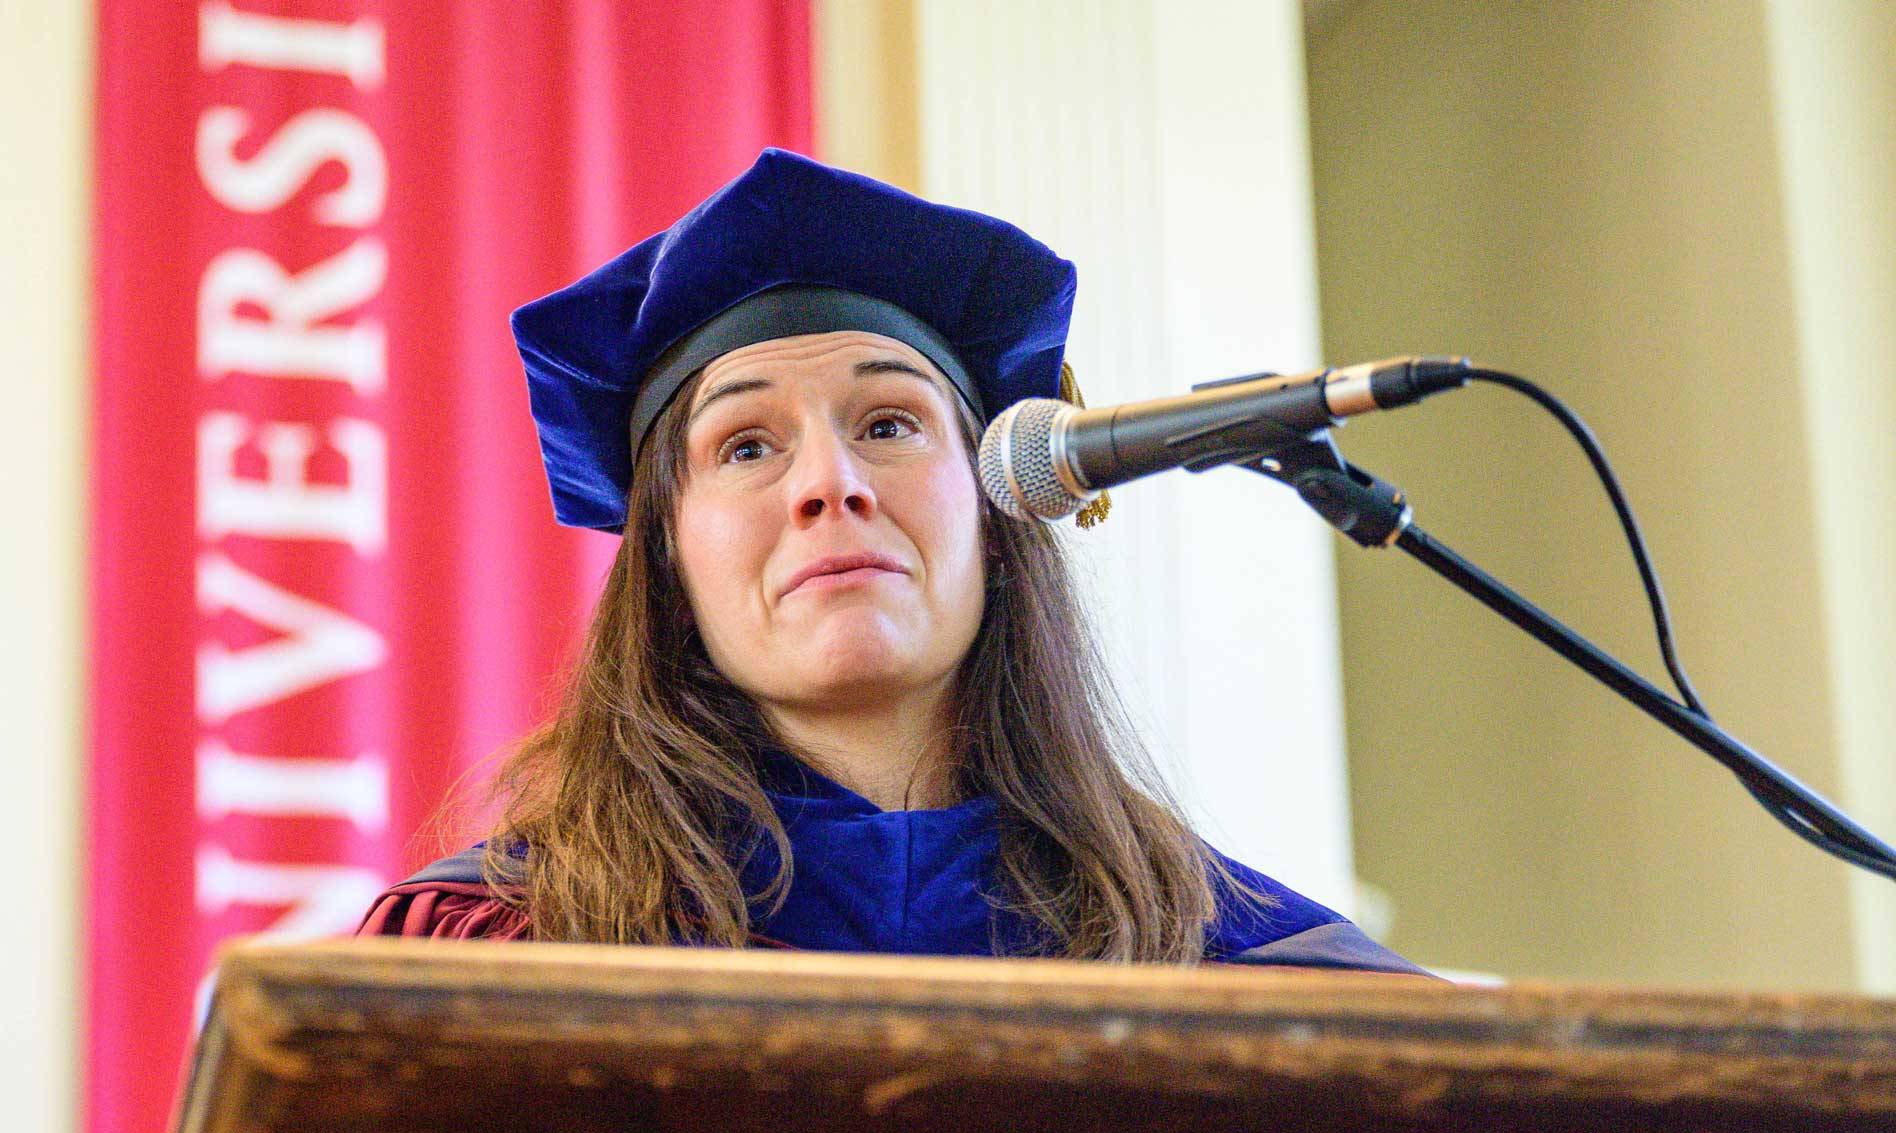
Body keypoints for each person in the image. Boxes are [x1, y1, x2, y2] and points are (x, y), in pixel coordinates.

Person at [359, 149, 1418, 974]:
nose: (831, 483)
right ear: (668, 569)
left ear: (999, 515)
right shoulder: (504, 951)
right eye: (746, 446)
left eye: (889, 425)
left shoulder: (1245, 973)